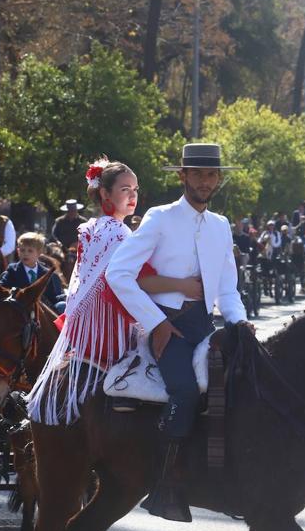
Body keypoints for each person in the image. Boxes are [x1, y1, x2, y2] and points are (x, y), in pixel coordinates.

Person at [106, 143, 251, 523]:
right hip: (166, 325)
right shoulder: (160, 217)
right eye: (197, 174)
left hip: (205, 327)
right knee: (184, 391)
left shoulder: (221, 226)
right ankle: (164, 484)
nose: (205, 181)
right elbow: (118, 274)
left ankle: (229, 475)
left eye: (212, 175)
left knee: (244, 382)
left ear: (218, 179)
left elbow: (228, 290)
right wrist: (154, 323)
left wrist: (240, 324)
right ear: (183, 176)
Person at [28, 158, 204, 427]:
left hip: (82, 327)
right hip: (109, 327)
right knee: (164, 340)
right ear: (104, 194)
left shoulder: (90, 228)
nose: (133, 195)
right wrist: (183, 286)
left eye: (135, 189)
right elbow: (142, 280)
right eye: (125, 189)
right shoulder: (119, 232)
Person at [0, 232, 67, 314]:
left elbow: (53, 297)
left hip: (42, 314)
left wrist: (66, 298)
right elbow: (1, 291)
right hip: (19, 313)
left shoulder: (46, 273)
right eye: (22, 250)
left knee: (62, 306)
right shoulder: (12, 271)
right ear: (18, 251)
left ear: (39, 253)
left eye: (30, 251)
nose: (25, 253)